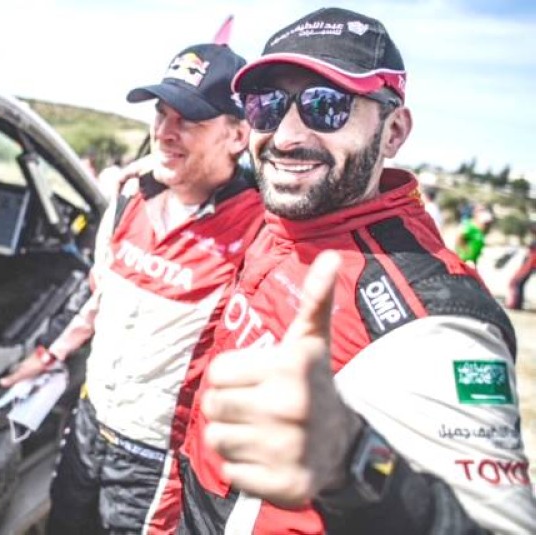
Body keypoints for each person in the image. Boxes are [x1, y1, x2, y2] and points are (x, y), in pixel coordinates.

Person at [178, 7, 536, 534]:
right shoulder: (281, 216)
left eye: (327, 106)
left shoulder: (439, 319)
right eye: (266, 105)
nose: (286, 135)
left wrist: (351, 462)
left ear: (394, 132)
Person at [0, 43, 265, 534]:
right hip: (88, 423)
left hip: (156, 460)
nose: (164, 132)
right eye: (161, 113)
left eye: (189, 119)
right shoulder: (130, 196)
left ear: (237, 135)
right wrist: (46, 354)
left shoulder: (259, 226)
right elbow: (95, 295)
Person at [506, 221, 536, 310]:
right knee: (520, 283)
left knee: (517, 282)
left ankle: (515, 304)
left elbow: (532, 256)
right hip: (529, 264)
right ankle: (517, 303)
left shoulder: (534, 243)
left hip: (530, 265)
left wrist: (526, 266)